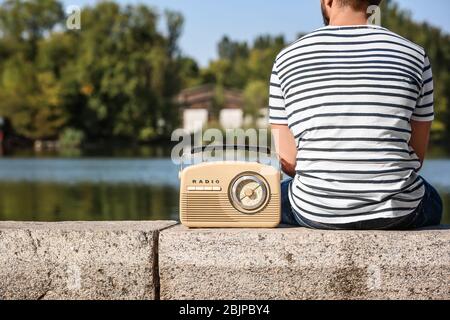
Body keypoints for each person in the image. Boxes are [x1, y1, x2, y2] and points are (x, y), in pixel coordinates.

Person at [270, 0, 443, 230]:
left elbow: (288, 161)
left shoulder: (286, 59)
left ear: (327, 1)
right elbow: (416, 158)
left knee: (271, 196)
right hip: (398, 210)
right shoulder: (416, 55)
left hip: (315, 210)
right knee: (433, 199)